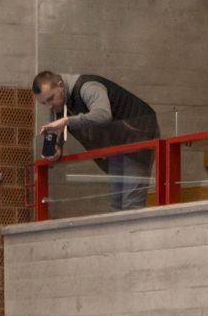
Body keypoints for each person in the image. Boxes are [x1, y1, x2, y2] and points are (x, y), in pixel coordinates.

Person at [33, 70, 158, 211]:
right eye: (43, 103)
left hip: (138, 133)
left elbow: (103, 115)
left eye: (50, 98)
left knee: (131, 203)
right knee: (115, 204)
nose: (49, 106)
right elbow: (54, 128)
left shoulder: (88, 86)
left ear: (60, 85)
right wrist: (52, 148)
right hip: (116, 145)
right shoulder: (58, 104)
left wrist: (67, 121)